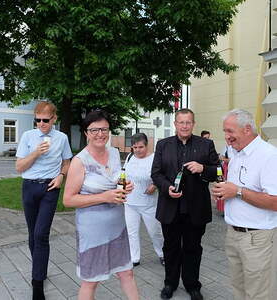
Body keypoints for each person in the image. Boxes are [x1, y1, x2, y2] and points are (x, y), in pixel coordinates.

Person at [63, 110, 139, 300]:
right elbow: (68, 199)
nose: (100, 134)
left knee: (127, 272)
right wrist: (105, 197)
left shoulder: (114, 153)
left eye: (104, 129)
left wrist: (125, 185)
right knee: (91, 281)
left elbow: (115, 181)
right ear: (86, 133)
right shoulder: (79, 161)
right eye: (94, 129)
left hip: (117, 227)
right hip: (92, 231)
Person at [151, 108, 219, 300]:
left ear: (193, 124)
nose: (185, 126)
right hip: (170, 207)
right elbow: (156, 173)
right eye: (181, 122)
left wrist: (203, 168)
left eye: (188, 122)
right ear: (175, 124)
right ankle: (170, 283)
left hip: (196, 208)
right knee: (170, 248)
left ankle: (192, 285)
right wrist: (166, 188)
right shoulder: (163, 145)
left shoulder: (206, 144)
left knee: (193, 248)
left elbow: (219, 170)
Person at [212, 109, 277, 300]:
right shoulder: (236, 153)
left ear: (247, 129)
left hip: (257, 238)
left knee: (259, 294)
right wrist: (224, 192)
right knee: (239, 290)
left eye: (230, 131)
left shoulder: (269, 156)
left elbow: (274, 202)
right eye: (225, 131)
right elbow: (235, 189)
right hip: (233, 234)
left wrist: (237, 191)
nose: (226, 137)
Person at [16, 101, 72, 300]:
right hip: (29, 187)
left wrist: (61, 176)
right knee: (33, 234)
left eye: (45, 120)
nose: (41, 124)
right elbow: (19, 167)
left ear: (54, 119)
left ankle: (37, 283)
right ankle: (40, 268)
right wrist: (36, 153)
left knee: (41, 234)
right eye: (37, 120)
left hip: (50, 188)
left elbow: (67, 161)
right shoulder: (27, 137)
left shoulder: (62, 138)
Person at [123, 133, 164, 267]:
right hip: (130, 202)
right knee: (132, 232)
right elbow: (124, 173)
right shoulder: (130, 157)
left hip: (148, 203)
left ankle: (162, 254)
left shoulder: (154, 159)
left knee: (155, 232)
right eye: (135, 147)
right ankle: (134, 257)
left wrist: (155, 185)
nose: (137, 150)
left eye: (140, 147)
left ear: (147, 145)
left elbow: (162, 176)